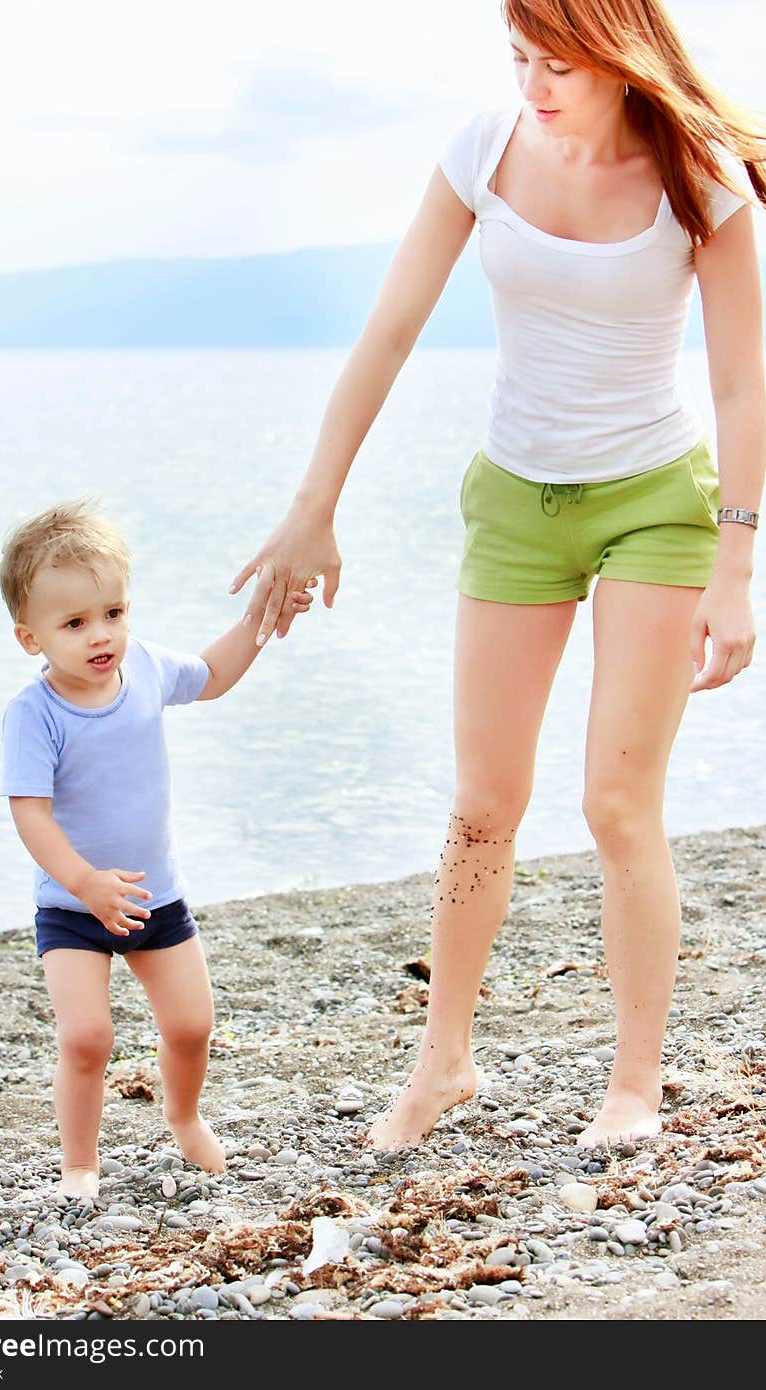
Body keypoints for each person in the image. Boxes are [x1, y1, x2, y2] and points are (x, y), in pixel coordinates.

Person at [230, 0, 765, 1150]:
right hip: (514, 505)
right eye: (517, 60)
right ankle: (444, 1061)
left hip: (654, 508)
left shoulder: (699, 176)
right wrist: (311, 507)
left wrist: (737, 561)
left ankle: (632, 1084)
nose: (532, 86)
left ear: (618, 58)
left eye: (557, 65)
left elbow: (740, 383)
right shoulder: (483, 148)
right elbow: (387, 330)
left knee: (617, 803)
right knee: (483, 805)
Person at [0, 500, 312, 1195]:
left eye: (112, 612)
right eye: (74, 623)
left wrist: (263, 616)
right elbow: (32, 816)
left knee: (193, 1023)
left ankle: (184, 1115)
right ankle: (80, 1163)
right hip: (74, 905)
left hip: (153, 897)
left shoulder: (141, 667)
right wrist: (84, 882)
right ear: (31, 638)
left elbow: (212, 674)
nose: (100, 634)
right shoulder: (34, 714)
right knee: (87, 1039)